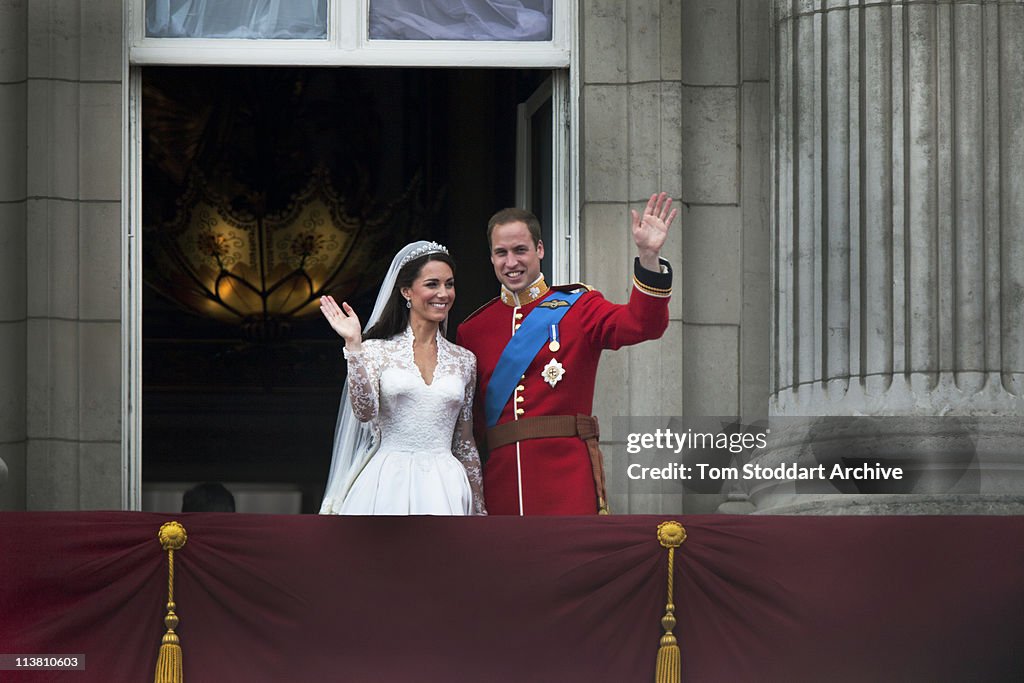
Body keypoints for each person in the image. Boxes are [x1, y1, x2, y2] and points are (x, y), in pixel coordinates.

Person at [456, 193, 677, 515]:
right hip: (500, 482)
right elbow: (470, 422)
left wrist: (648, 257)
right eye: (501, 253)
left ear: (540, 250)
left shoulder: (580, 307)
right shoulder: (473, 330)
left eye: (520, 250)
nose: (511, 262)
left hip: (566, 477)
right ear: (491, 258)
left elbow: (643, 324)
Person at [318, 241, 486, 515]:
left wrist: (479, 510)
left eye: (449, 284)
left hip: (445, 485)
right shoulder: (374, 351)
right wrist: (353, 346)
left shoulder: (465, 361)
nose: (443, 293)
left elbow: (464, 441)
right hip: (386, 481)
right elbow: (364, 411)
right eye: (432, 284)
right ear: (406, 291)